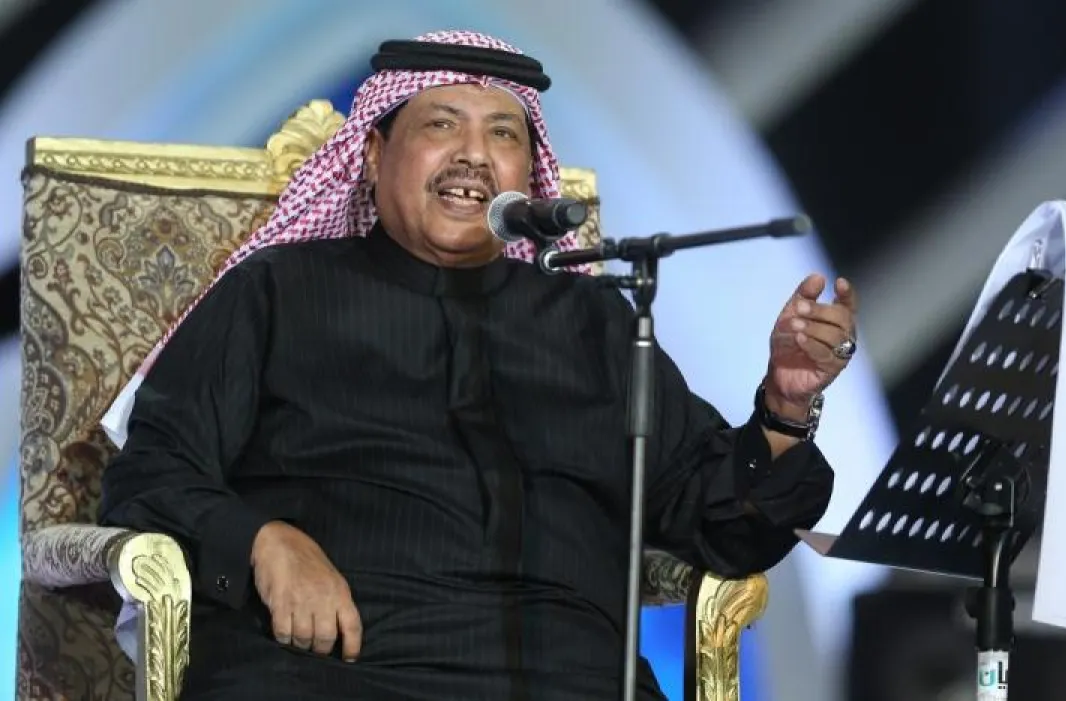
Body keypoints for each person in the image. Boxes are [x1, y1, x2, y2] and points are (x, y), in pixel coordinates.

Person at [98, 29, 858, 701]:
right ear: (373, 154)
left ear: (529, 172)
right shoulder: (278, 292)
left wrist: (784, 408)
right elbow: (152, 473)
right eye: (441, 124)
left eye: (503, 133)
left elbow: (717, 520)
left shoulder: (595, 322)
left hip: (566, 677)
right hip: (332, 668)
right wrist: (265, 540)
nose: (473, 153)